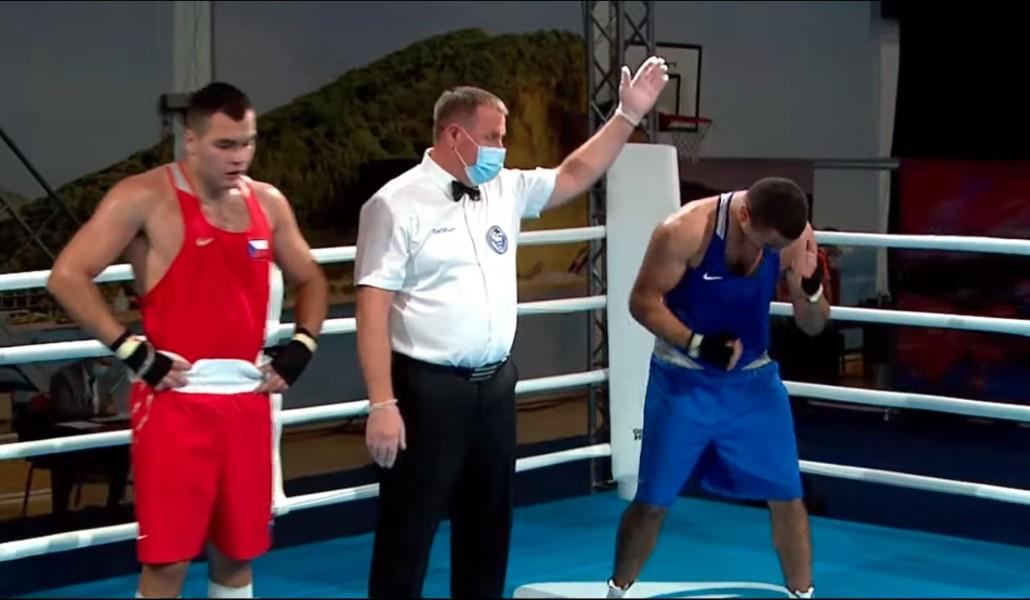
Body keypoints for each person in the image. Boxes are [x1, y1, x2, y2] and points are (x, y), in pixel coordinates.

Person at [354, 57, 669, 597]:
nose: (502, 147)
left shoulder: (505, 188)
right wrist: (382, 403)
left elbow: (574, 173)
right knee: (408, 530)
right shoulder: (395, 204)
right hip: (426, 391)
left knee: (488, 529)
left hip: (496, 387)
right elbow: (371, 308)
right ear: (454, 135)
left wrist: (626, 116)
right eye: (492, 137)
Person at [46, 82, 328, 599]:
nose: (239, 157)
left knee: (238, 553)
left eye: (247, 143)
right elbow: (67, 276)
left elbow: (310, 277)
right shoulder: (143, 197)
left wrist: (302, 346)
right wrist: (132, 351)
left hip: (246, 403)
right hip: (175, 404)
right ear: (191, 141)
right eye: (225, 145)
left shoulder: (268, 202)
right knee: (168, 562)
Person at [606, 178, 830, 599]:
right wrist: (697, 343)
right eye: (765, 243)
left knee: (788, 497)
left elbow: (813, 325)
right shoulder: (685, 230)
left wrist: (812, 288)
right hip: (683, 382)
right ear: (744, 215)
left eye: (778, 247)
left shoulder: (797, 239)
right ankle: (616, 591)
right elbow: (642, 301)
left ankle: (803, 595)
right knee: (652, 503)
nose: (770, 253)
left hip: (755, 386)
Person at [47, 356, 131, 513]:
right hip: (68, 439)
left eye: (108, 364)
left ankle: (115, 505)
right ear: (90, 359)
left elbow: (105, 403)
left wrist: (110, 411)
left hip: (95, 435)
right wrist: (98, 410)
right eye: (103, 363)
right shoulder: (65, 377)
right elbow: (64, 410)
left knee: (122, 452)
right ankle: (60, 512)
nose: (105, 368)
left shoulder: (102, 379)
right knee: (65, 461)